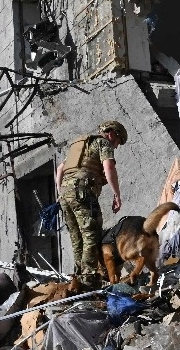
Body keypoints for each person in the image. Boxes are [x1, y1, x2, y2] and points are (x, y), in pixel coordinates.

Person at [55, 120, 128, 285]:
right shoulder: (103, 143)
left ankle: (79, 275)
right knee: (91, 233)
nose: (116, 146)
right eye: (118, 141)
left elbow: (60, 170)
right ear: (112, 133)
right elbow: (109, 167)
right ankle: (88, 278)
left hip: (65, 195)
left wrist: (61, 193)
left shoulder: (80, 146)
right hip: (82, 192)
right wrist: (116, 195)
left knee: (76, 236)